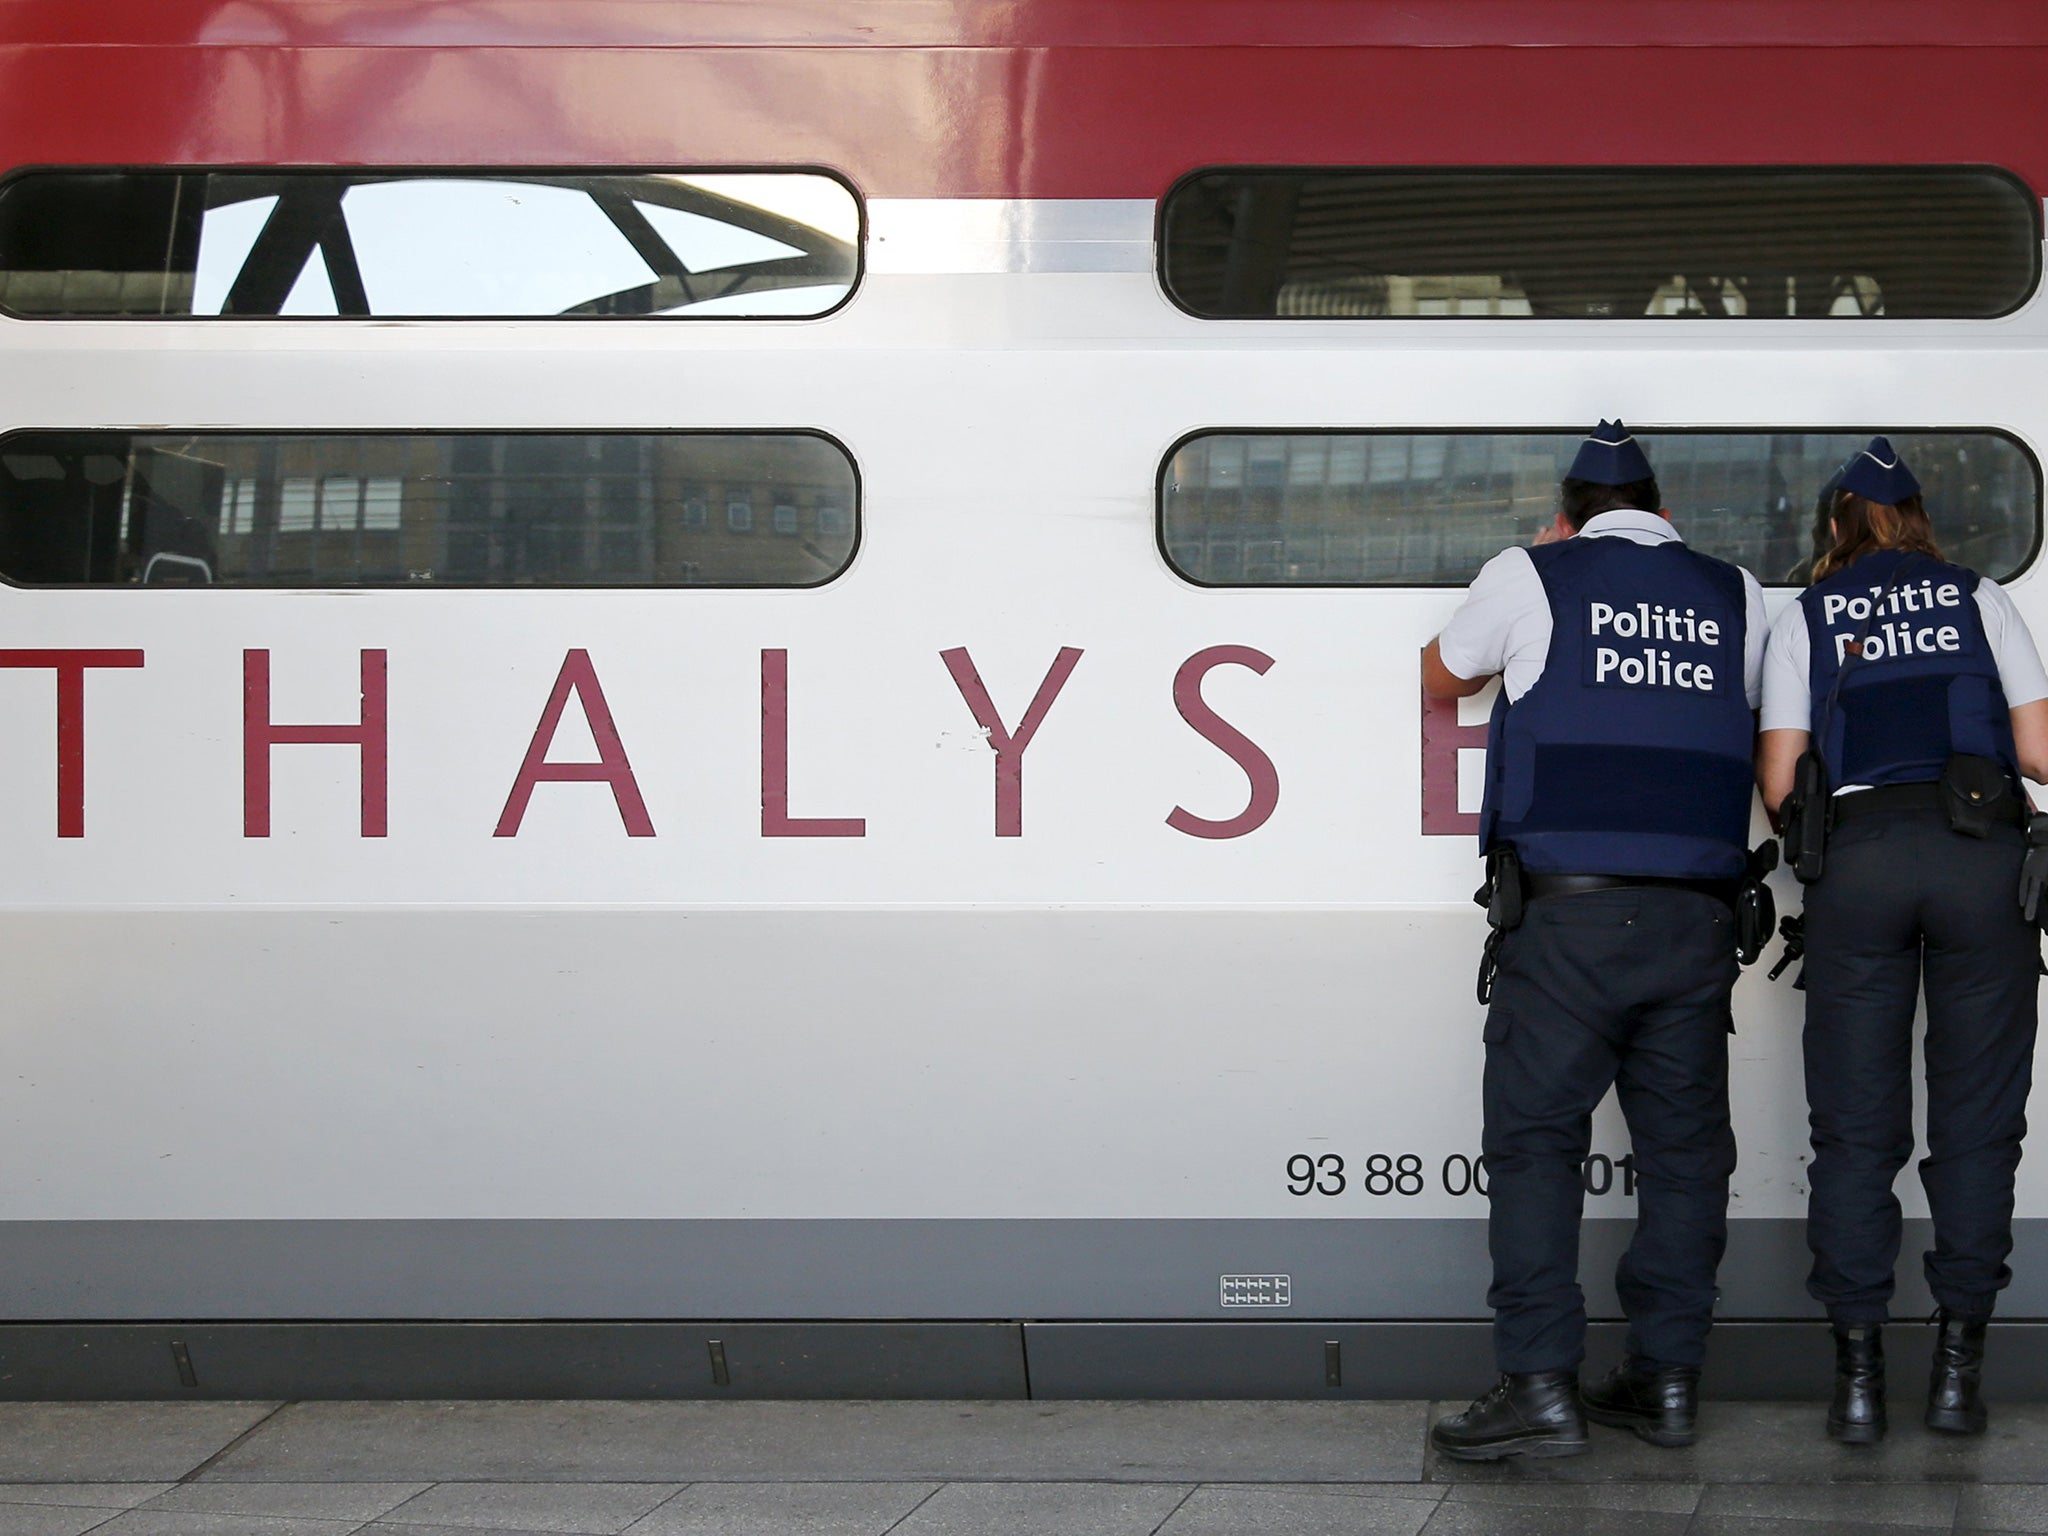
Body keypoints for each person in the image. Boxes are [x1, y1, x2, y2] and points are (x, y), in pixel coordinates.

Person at [1423, 421, 1767, 1459]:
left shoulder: (1529, 571)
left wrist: (1544, 558)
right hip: (1695, 920)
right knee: (1682, 1158)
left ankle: (1537, 1389)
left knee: (1535, 1147)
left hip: (1567, 922)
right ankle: (1663, 1383)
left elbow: (1442, 678)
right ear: (1663, 512)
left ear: (1568, 511)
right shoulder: (1737, 592)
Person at [1757, 437, 2048, 1442]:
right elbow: (2037, 752)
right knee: (1974, 1129)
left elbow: (1777, 783)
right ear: (1916, 518)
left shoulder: (1807, 616)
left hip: (1860, 866)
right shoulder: (1977, 597)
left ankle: (1855, 1382)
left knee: (1852, 1132)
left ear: (1833, 524)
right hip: (1979, 863)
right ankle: (1959, 1378)